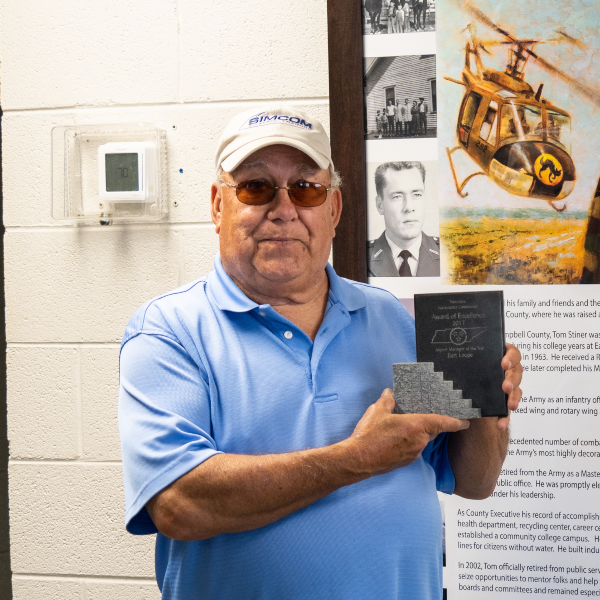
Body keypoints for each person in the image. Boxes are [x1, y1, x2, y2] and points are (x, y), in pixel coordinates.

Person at [119, 105, 522, 600]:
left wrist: (488, 404)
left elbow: (471, 479)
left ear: (333, 209)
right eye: (256, 187)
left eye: (306, 189)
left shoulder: (393, 319)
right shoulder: (169, 332)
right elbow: (180, 504)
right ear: (218, 206)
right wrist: (354, 458)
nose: (284, 209)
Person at [368, 161, 439, 277]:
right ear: (380, 205)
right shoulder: (361, 258)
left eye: (416, 195)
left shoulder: (450, 255)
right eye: (397, 197)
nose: (409, 207)